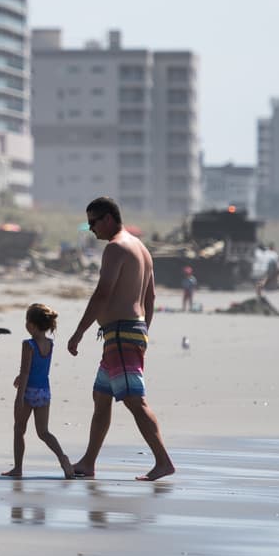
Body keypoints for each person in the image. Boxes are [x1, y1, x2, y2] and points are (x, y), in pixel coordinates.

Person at [66, 196, 175, 482]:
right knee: (101, 397)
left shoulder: (115, 249)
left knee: (133, 400)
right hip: (126, 333)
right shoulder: (141, 249)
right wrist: (144, 333)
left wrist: (78, 332)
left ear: (109, 219)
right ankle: (88, 462)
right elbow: (150, 297)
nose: (91, 229)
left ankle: (163, 461)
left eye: (93, 222)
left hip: (121, 334)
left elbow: (103, 294)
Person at [1, 302, 74, 480]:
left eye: (26, 321)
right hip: (44, 392)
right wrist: (21, 375)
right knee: (44, 432)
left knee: (19, 430)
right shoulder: (49, 344)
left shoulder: (29, 345)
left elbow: (26, 372)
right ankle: (63, 458)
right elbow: (37, 369)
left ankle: (18, 468)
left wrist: (19, 398)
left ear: (32, 325)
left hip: (28, 393)